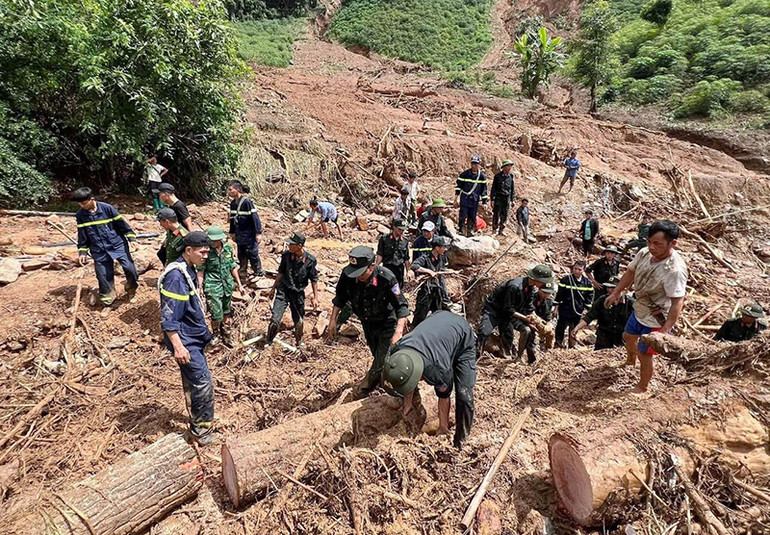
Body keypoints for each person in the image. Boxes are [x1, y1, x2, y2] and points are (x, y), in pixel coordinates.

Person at [606, 220, 688, 393]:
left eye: (657, 244)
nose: (651, 247)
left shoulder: (675, 270)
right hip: (640, 308)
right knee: (628, 335)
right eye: (649, 242)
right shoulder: (644, 253)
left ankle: (642, 386)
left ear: (673, 243)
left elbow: (677, 302)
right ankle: (630, 360)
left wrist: (665, 330)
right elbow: (630, 272)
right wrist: (617, 292)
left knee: (645, 354)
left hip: (656, 318)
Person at [381, 311, 477, 449]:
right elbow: (407, 374)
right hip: (437, 322)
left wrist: (442, 426)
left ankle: (462, 441)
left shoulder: (438, 370)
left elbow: (444, 396)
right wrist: (407, 404)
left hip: (462, 336)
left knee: (464, 395)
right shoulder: (397, 351)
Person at [327, 246, 409, 394]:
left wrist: (398, 331)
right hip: (367, 322)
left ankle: (366, 387)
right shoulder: (348, 275)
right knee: (377, 354)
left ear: (372, 266)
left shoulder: (386, 277)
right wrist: (333, 320)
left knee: (382, 359)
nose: (357, 277)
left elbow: (401, 306)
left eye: (361, 272)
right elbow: (340, 298)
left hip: (387, 323)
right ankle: (383, 380)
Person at [158, 231, 215, 444]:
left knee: (194, 383)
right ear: (188, 251)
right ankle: (201, 430)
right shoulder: (175, 277)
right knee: (202, 382)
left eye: (208, 252)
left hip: (193, 337)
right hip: (185, 340)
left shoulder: (188, 270)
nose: (205, 256)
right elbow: (169, 315)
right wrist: (178, 346)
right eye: (202, 252)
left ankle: (196, 419)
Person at [73, 187, 139, 307]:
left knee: (130, 269)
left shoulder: (107, 209)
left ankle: (131, 289)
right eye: (79, 204)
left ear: (92, 199)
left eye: (83, 203)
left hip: (117, 244)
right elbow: (82, 235)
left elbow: (122, 225)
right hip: (98, 250)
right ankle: (108, 302)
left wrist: (132, 239)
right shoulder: (80, 215)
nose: (81, 206)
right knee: (103, 276)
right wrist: (82, 251)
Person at [477, 264, 553, 358]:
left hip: (507, 315)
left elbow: (528, 308)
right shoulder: (515, 286)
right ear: (537, 280)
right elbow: (507, 308)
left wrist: (536, 320)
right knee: (484, 332)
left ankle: (507, 357)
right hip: (494, 311)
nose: (544, 284)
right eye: (543, 282)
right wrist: (525, 318)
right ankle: (474, 356)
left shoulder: (531, 288)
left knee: (508, 337)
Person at [267, 232, 319, 347]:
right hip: (284, 290)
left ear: (299, 246)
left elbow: (314, 279)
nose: (289, 246)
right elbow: (281, 273)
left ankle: (299, 341)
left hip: (298, 292)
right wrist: (273, 289)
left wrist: (315, 297)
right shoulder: (286, 256)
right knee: (275, 319)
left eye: (292, 244)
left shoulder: (310, 260)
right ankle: (269, 341)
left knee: (299, 320)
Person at [196, 226, 243, 348]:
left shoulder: (227, 248)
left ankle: (226, 336)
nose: (213, 243)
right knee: (216, 313)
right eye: (211, 240)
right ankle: (216, 335)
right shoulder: (206, 252)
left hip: (227, 286)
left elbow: (232, 267)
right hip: (213, 286)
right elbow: (201, 270)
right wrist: (199, 287)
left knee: (226, 312)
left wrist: (239, 284)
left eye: (215, 240)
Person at [574, 276, 634, 350]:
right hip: (604, 338)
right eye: (608, 287)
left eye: (613, 288)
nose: (610, 290)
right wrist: (577, 328)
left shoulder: (630, 303)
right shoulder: (602, 300)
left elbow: (640, 318)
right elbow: (589, 316)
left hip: (622, 339)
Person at [411, 237, 452, 326]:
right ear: (437, 248)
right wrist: (428, 271)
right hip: (426, 292)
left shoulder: (442, 258)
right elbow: (414, 266)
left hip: (437, 291)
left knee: (437, 315)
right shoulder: (426, 258)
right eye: (443, 247)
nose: (444, 249)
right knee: (420, 317)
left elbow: (444, 270)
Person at [227, 180, 264, 279]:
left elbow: (255, 218)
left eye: (231, 189)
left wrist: (258, 233)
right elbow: (232, 219)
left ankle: (258, 272)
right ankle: (243, 272)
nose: (229, 192)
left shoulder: (247, 202)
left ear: (238, 190)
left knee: (252, 253)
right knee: (241, 253)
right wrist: (232, 232)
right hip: (240, 234)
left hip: (249, 234)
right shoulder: (233, 204)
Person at [555, 261, 594, 348]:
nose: (576, 271)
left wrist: (587, 309)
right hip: (565, 309)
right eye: (575, 269)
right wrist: (556, 308)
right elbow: (559, 295)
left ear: (583, 270)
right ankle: (558, 344)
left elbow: (589, 297)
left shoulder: (587, 283)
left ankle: (572, 345)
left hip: (578, 310)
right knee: (561, 327)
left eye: (579, 269)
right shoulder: (565, 280)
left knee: (574, 328)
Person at [455, 155, 488, 237]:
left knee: (472, 216)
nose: (474, 165)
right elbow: (458, 186)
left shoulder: (481, 176)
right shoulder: (464, 174)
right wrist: (456, 197)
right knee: (463, 214)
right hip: (465, 198)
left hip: (474, 199)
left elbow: (484, 190)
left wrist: (484, 202)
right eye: (473, 163)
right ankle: (461, 230)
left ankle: (471, 230)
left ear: (479, 164)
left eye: (476, 164)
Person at [376, 219, 410, 288]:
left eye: (403, 230)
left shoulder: (405, 241)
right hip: (388, 267)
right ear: (394, 227)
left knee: (398, 289)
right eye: (399, 229)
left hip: (399, 269)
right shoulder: (385, 239)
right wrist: (376, 267)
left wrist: (408, 271)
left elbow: (406, 258)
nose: (401, 231)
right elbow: (380, 255)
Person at [491, 160, 516, 236]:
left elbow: (512, 189)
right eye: (508, 166)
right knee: (496, 213)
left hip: (507, 197)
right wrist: (492, 199)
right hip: (499, 197)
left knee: (505, 214)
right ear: (504, 167)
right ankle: (494, 229)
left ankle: (501, 230)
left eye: (510, 166)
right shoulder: (497, 176)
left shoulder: (511, 177)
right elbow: (493, 188)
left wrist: (512, 199)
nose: (509, 168)